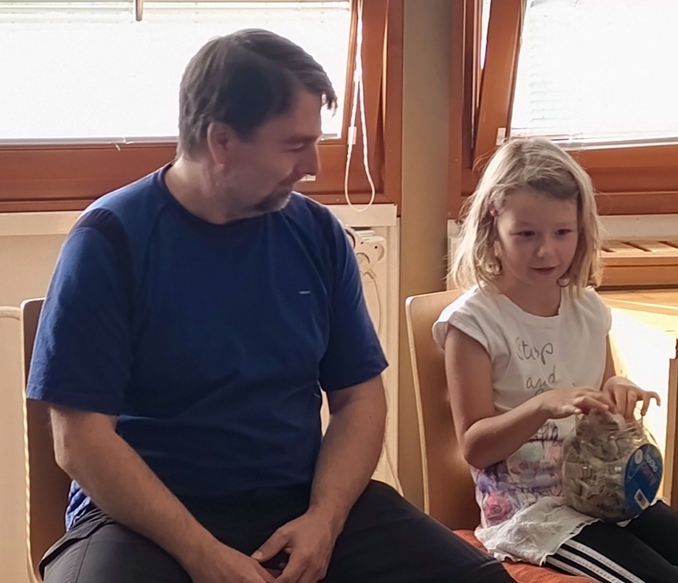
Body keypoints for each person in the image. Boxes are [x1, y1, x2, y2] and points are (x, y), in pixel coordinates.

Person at [27, 29, 515, 583]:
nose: (313, 166)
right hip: (143, 520)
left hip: (299, 505)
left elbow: (359, 400)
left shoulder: (318, 235)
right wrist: (201, 554)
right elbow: (80, 440)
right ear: (221, 141)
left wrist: (324, 520)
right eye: (293, 145)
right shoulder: (109, 240)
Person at [433, 137, 678, 583]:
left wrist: (616, 391)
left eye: (562, 233)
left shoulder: (587, 308)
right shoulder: (474, 323)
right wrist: (543, 405)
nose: (546, 251)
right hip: (531, 514)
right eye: (526, 234)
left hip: (605, 492)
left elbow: (600, 396)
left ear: (581, 227)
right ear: (494, 219)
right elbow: (474, 445)